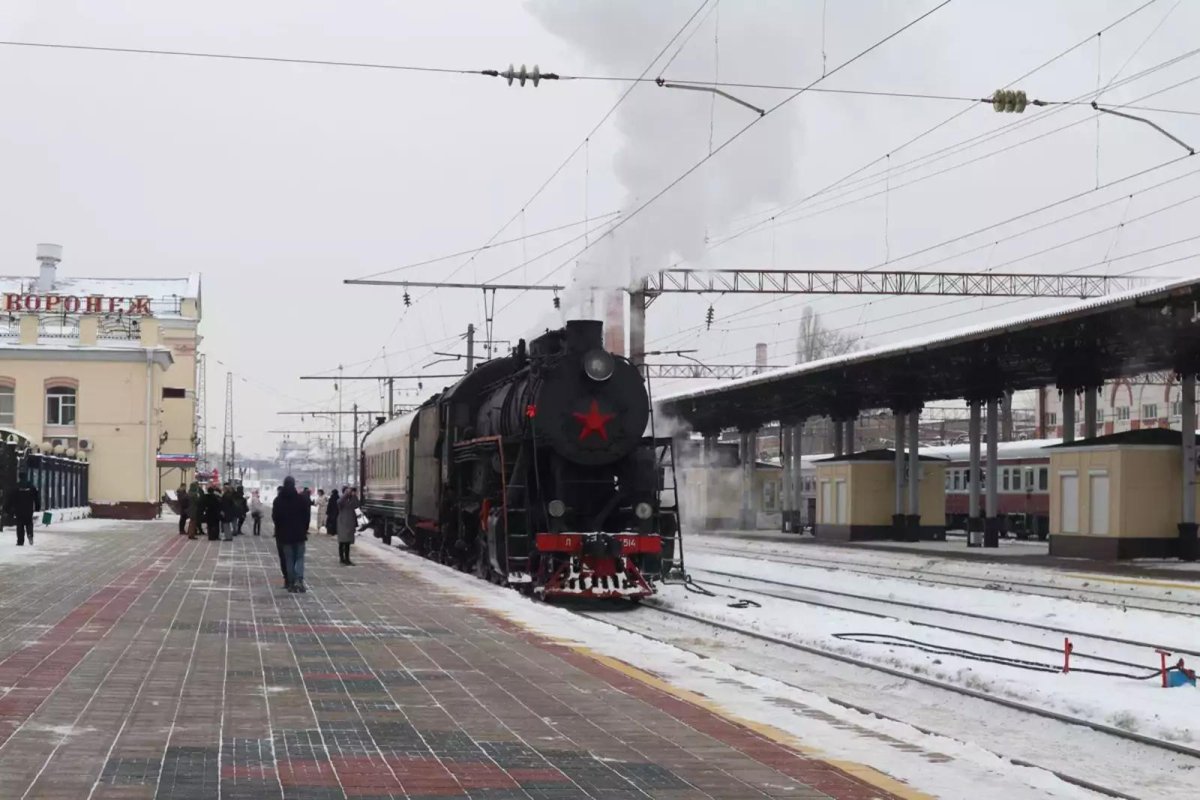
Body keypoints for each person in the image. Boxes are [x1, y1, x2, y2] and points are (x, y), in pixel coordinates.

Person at [273, 476, 310, 593]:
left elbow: (275, 518)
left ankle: (291, 582)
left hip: (284, 535)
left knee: (288, 559)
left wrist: (279, 529)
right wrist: (304, 528)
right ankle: (299, 580)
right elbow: (306, 516)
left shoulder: (278, 500)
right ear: (294, 484)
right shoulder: (301, 499)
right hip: (299, 534)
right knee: (299, 558)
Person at [5, 474, 41, 546]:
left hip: (18, 509)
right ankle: (30, 534)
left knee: (20, 525)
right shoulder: (31, 486)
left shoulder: (16, 487)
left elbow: (10, 499)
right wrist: (37, 507)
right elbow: (36, 498)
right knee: (29, 522)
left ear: (19, 478)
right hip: (29, 508)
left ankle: (20, 541)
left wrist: (7, 509)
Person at [337, 488, 360, 565]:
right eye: (347, 492)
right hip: (342, 523)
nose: (349, 493)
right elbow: (339, 502)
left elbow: (357, 505)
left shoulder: (352, 501)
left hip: (350, 523)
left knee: (347, 543)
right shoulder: (342, 501)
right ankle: (342, 558)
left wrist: (354, 496)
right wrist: (346, 495)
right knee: (342, 542)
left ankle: (347, 559)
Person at [271, 486, 288, 586]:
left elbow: (274, 516)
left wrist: (278, 525)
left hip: (281, 533)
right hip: (296, 534)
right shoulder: (298, 499)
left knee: (283, 557)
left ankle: (287, 577)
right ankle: (294, 578)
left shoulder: (278, 500)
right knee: (293, 557)